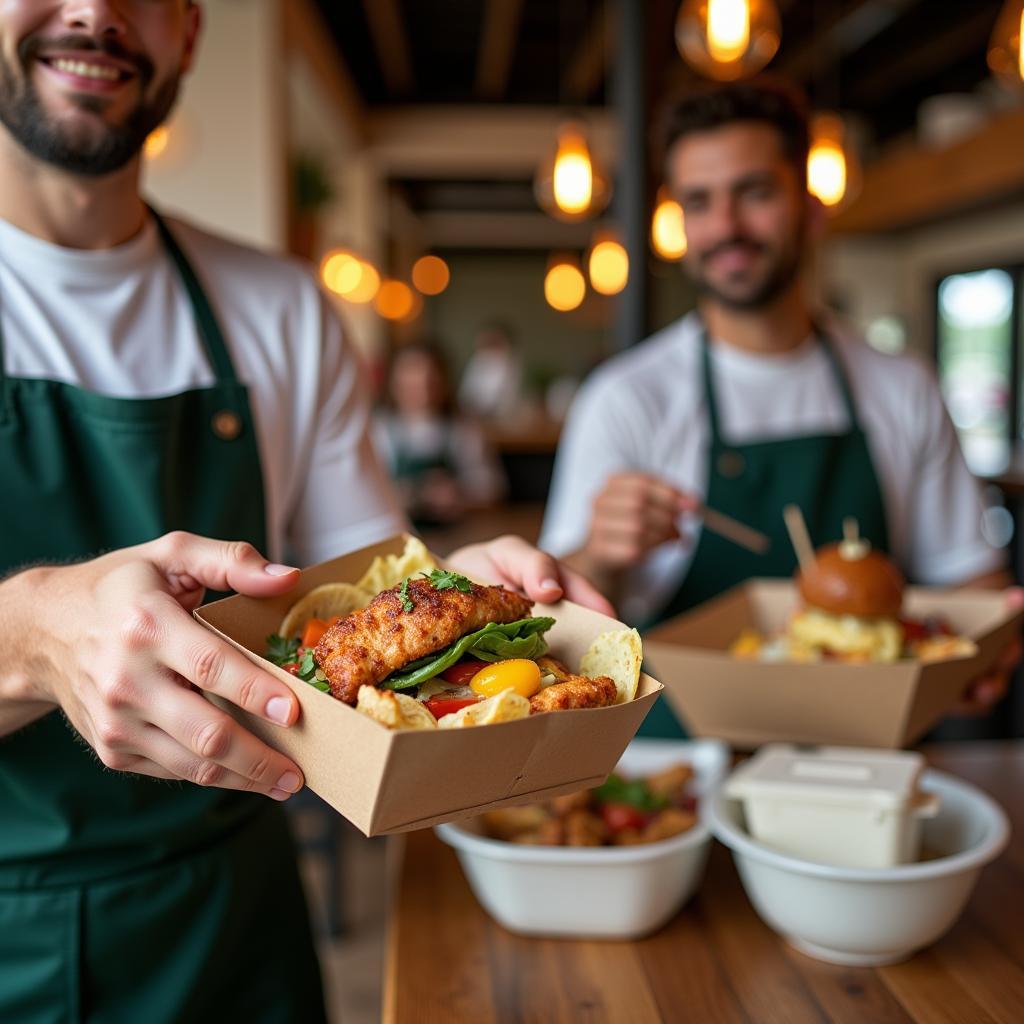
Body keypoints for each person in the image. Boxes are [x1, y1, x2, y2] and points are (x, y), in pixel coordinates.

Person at [0, 2, 612, 1020]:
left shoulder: (280, 309)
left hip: (237, 915)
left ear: (189, 31)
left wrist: (470, 604)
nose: (95, 10)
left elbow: (342, 611)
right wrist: (31, 637)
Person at [541, 78, 1020, 737]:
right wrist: (601, 553)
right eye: (699, 202)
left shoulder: (901, 386)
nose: (726, 227)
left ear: (810, 207)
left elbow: (970, 587)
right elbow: (554, 634)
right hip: (681, 762)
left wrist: (973, 661)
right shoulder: (626, 398)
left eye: (755, 192)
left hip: (866, 754)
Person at [374, 341, 505, 528]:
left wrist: (459, 496)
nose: (422, 389)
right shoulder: (378, 430)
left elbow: (493, 491)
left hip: (457, 537)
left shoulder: (464, 430)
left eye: (430, 380)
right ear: (394, 384)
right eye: (412, 381)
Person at [457, 319, 524, 421]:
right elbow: (465, 394)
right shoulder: (478, 360)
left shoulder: (508, 363)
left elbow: (502, 401)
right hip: (471, 418)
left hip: (501, 421)